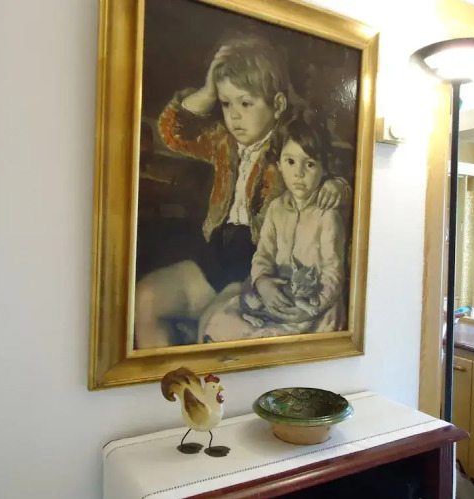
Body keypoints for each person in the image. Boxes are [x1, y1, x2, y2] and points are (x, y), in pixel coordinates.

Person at [135, 36, 349, 348]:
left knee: (212, 324)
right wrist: (208, 91)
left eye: (245, 103)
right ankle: (171, 381)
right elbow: (171, 131)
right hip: (215, 254)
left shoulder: (287, 148)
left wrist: (337, 186)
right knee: (146, 299)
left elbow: (323, 173)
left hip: (258, 263)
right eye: (226, 103)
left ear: (277, 105)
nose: (234, 115)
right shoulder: (223, 142)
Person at [245, 113, 346, 333]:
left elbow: (333, 273)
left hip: (316, 310)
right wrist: (262, 282)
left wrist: (313, 307)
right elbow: (263, 254)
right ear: (279, 164)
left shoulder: (327, 215)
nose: (298, 173)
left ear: (323, 168)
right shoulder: (276, 208)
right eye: (290, 162)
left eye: (309, 164)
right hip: (282, 299)